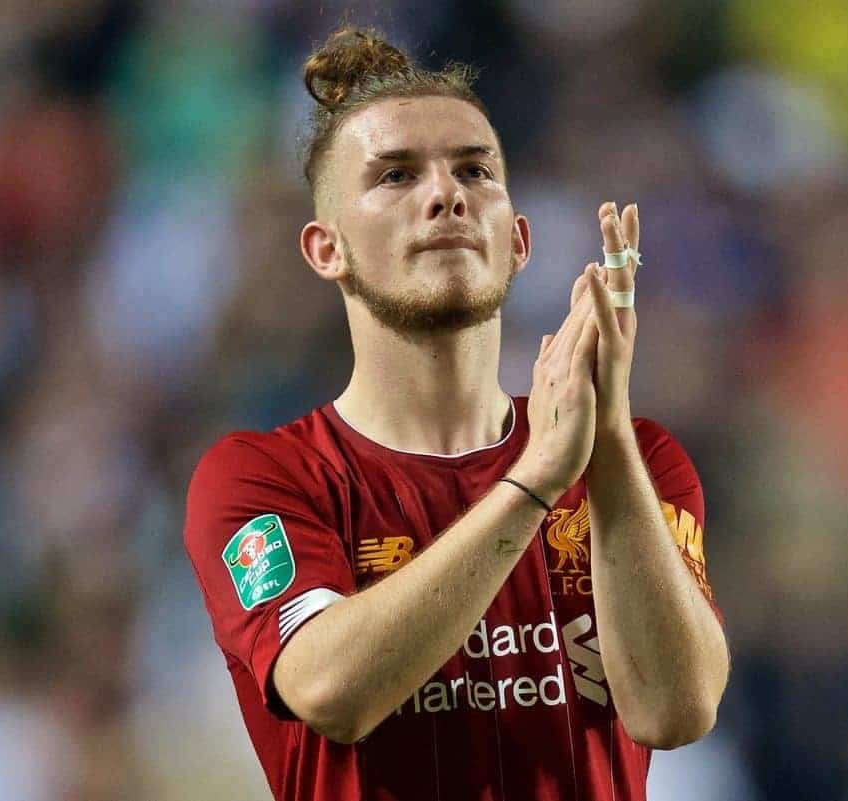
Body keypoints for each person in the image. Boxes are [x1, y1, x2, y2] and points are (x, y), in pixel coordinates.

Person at [183, 25, 730, 801]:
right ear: (324, 248)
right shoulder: (261, 477)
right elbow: (330, 687)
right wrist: (535, 479)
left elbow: (676, 709)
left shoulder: (633, 461)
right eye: (396, 175)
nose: (446, 194)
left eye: (475, 169)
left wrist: (604, 442)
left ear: (517, 239)